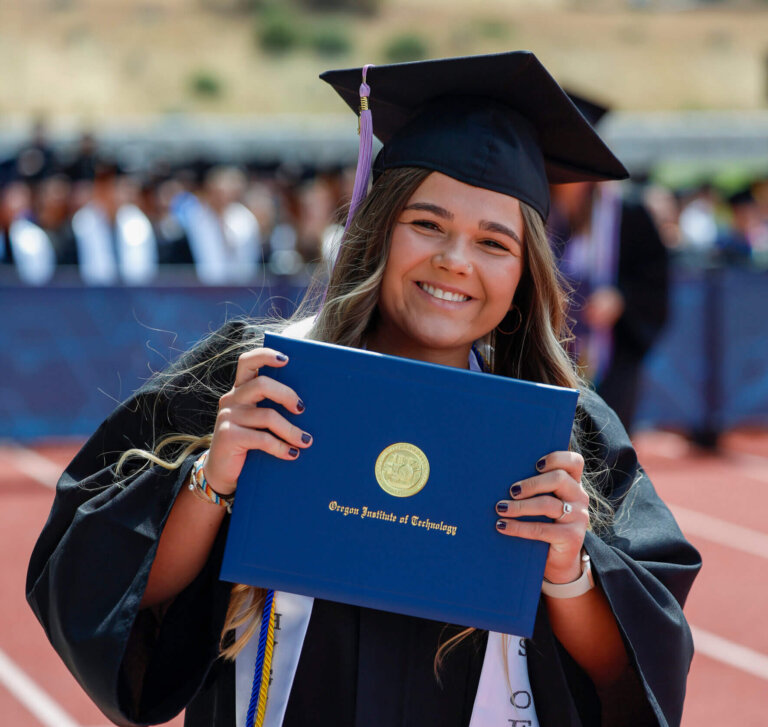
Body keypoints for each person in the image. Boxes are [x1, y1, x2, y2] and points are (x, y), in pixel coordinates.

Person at [26, 52, 701, 727]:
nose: (455, 261)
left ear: (526, 271)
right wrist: (213, 479)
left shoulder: (570, 434)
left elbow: (630, 676)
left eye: (494, 243)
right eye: (427, 224)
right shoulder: (257, 377)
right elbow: (108, 599)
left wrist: (567, 571)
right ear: (379, 227)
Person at [548, 93, 670, 431]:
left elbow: (654, 279)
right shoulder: (532, 206)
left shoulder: (627, 213)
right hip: (542, 347)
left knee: (603, 444)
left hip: (607, 355)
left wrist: (621, 298)